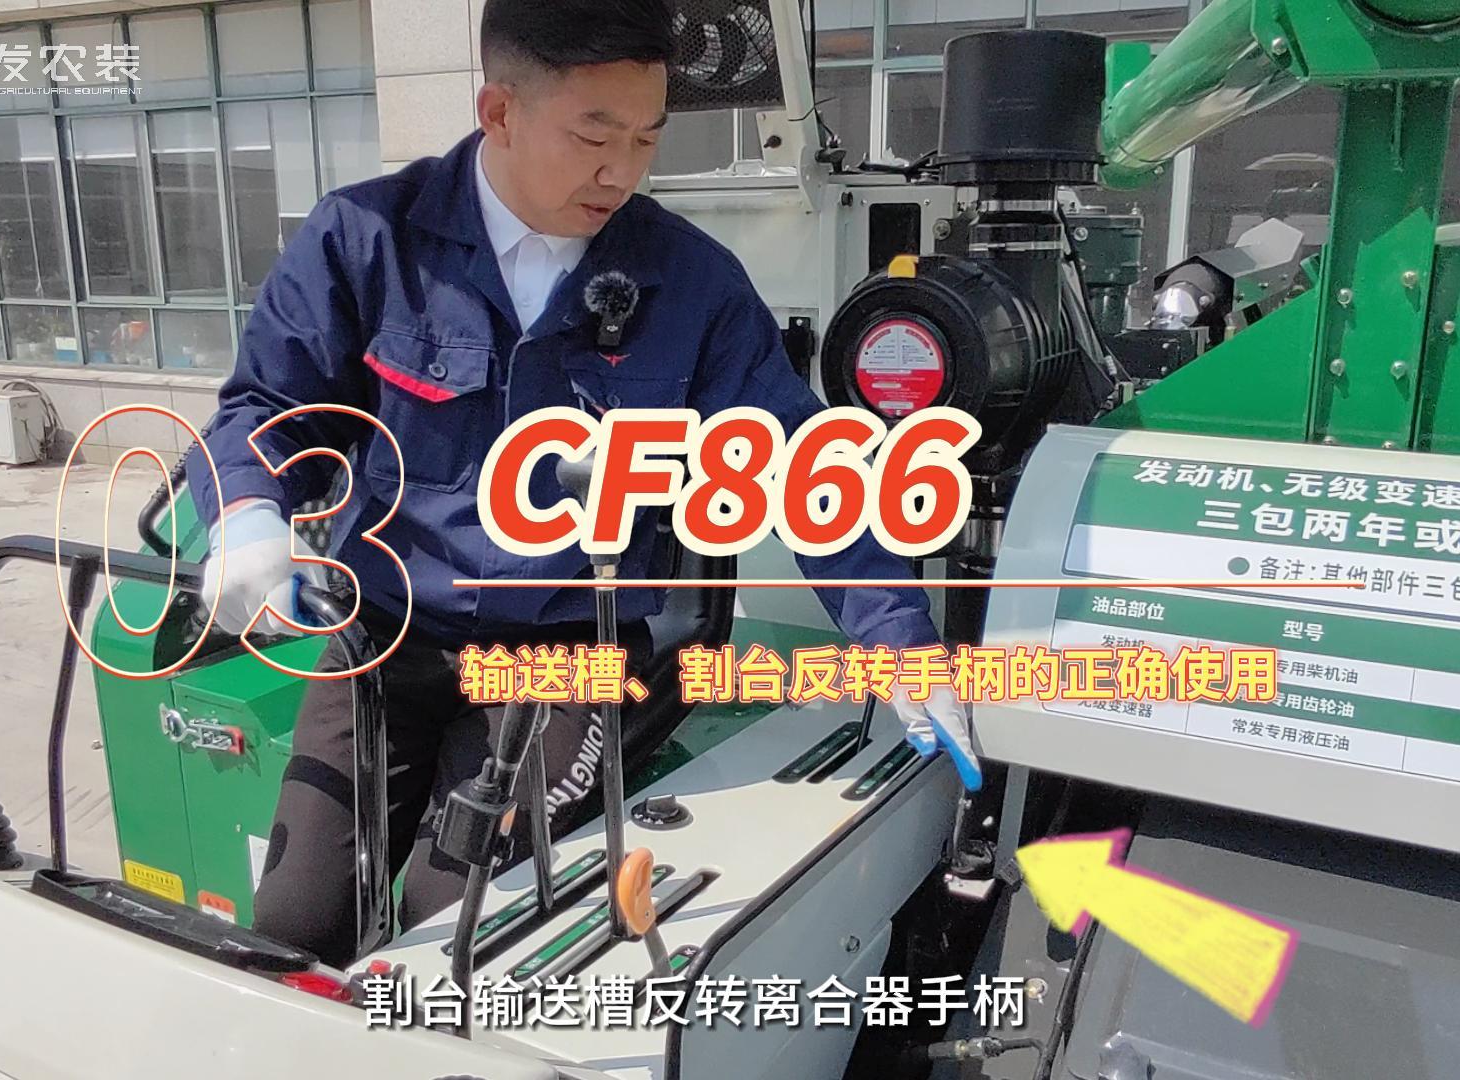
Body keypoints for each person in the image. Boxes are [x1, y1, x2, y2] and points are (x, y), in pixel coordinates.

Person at [187, 0, 979, 967]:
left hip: (561, 651)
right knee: (297, 922)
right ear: (499, 111)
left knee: (456, 921)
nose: (623, 170)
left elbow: (799, 469)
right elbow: (270, 403)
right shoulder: (368, 240)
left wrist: (899, 639)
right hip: (385, 634)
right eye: (594, 136)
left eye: (647, 138)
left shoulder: (691, 283)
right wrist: (246, 512)